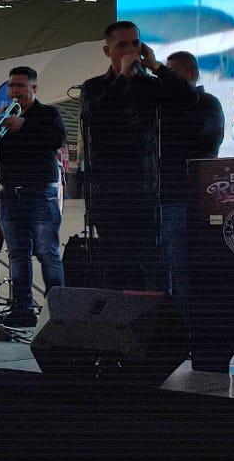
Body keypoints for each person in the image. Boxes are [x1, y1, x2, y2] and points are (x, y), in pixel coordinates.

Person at [80, 22, 197, 294]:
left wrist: (156, 66)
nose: (130, 50)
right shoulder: (94, 87)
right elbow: (97, 112)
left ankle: (151, 320)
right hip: (109, 194)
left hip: (145, 192)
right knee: (116, 269)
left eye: (135, 44)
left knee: (151, 269)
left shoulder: (151, 85)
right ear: (108, 51)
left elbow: (188, 97)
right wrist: (123, 77)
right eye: (122, 45)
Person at [0, 68, 66, 328]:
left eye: (21, 86)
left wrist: (24, 125)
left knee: (47, 252)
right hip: (10, 193)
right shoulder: (4, 116)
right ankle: (22, 309)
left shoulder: (48, 114)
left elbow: (57, 139)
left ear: (34, 88)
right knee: (17, 254)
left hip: (40, 193)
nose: (15, 91)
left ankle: (57, 313)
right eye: (12, 85)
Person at [160, 51, 225, 308]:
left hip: (186, 197)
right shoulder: (163, 105)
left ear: (191, 73)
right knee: (160, 270)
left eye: (172, 73)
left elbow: (201, 141)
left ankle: (184, 325)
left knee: (180, 268)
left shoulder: (208, 104)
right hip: (160, 196)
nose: (166, 79)